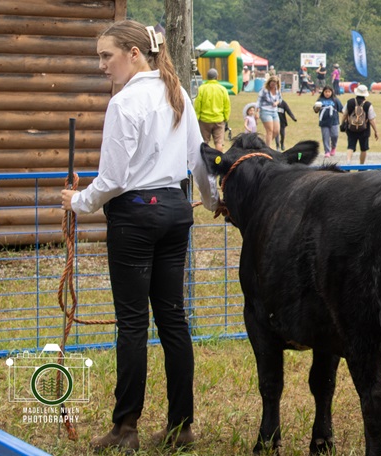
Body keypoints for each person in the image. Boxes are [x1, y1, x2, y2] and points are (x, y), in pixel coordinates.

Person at [60, 20, 219, 452]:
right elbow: (199, 161)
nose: (101, 65)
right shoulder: (178, 93)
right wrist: (212, 198)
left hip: (135, 216)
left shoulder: (125, 102)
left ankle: (125, 428)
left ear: (134, 53)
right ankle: (180, 426)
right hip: (173, 210)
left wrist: (78, 201)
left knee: (132, 324)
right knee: (172, 320)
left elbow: (112, 178)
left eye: (106, 56)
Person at [193, 68, 231, 151]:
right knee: (219, 143)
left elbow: (197, 105)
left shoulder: (202, 88)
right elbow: (227, 105)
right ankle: (219, 161)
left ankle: (203, 161)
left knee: (204, 143)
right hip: (219, 120)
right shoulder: (222, 89)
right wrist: (226, 118)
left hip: (204, 120)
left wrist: (197, 117)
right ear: (217, 77)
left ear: (207, 77)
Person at [340, 84, 378, 164]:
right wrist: (376, 131)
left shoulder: (350, 102)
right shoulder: (368, 105)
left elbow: (344, 114)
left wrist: (342, 123)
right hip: (364, 130)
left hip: (351, 129)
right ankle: (361, 166)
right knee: (363, 149)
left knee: (350, 146)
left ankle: (348, 163)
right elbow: (371, 119)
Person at [315, 86, 342, 157]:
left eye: (329, 92)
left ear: (332, 92)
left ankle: (333, 147)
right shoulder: (320, 100)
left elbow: (341, 109)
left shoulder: (335, 100)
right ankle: (327, 151)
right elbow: (315, 110)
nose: (327, 93)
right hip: (324, 122)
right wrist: (317, 108)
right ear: (323, 92)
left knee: (335, 135)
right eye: (326, 92)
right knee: (325, 137)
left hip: (334, 121)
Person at [257, 75, 282, 148]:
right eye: (272, 83)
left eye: (275, 83)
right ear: (269, 82)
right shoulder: (264, 90)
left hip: (274, 111)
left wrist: (276, 103)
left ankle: (264, 145)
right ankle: (268, 148)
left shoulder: (277, 90)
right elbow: (259, 101)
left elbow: (280, 99)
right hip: (265, 111)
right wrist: (257, 112)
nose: (273, 85)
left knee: (276, 131)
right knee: (270, 131)